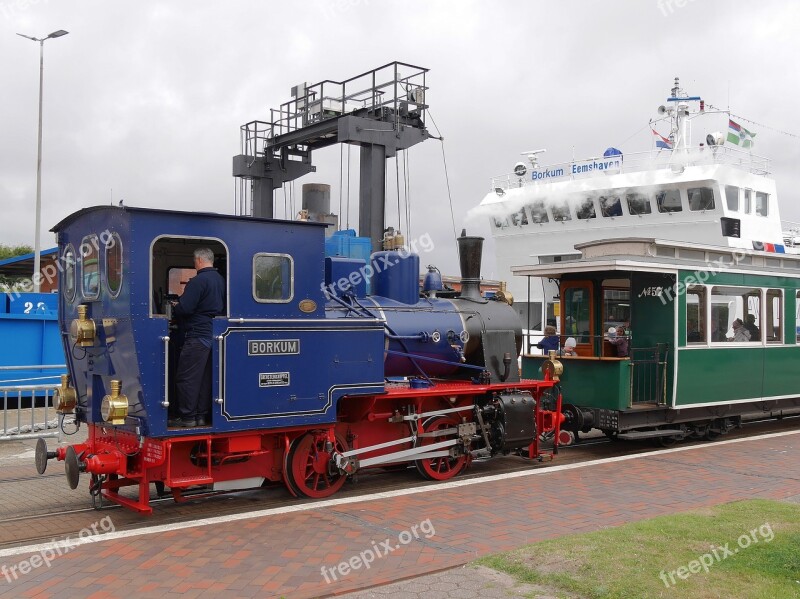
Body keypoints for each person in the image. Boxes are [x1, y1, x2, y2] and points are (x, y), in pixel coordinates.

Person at [169, 248, 225, 427]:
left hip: (197, 335)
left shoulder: (198, 281)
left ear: (199, 260)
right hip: (213, 334)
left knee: (187, 378)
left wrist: (176, 305)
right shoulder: (220, 280)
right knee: (204, 379)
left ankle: (187, 417)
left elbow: (185, 308)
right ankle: (200, 416)